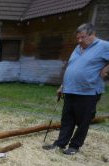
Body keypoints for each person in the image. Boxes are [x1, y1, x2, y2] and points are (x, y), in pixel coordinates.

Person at [43, 23, 109, 155]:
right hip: (70, 89)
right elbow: (71, 67)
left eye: (82, 37)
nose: (79, 41)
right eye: (78, 38)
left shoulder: (103, 46)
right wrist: (63, 86)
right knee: (67, 119)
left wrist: (106, 69)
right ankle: (60, 143)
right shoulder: (78, 48)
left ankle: (74, 146)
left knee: (83, 121)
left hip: (88, 91)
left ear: (92, 35)